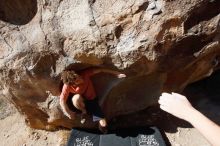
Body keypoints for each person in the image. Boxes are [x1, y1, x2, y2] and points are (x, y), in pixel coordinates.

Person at [60, 68, 126, 132]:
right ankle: (84, 111)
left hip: (92, 100)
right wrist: (68, 112)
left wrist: (116, 73)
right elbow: (62, 100)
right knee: (76, 98)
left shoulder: (85, 74)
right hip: (80, 103)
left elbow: (101, 70)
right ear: (73, 84)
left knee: (103, 123)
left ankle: (103, 130)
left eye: (78, 76)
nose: (80, 79)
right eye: (77, 80)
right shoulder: (67, 86)